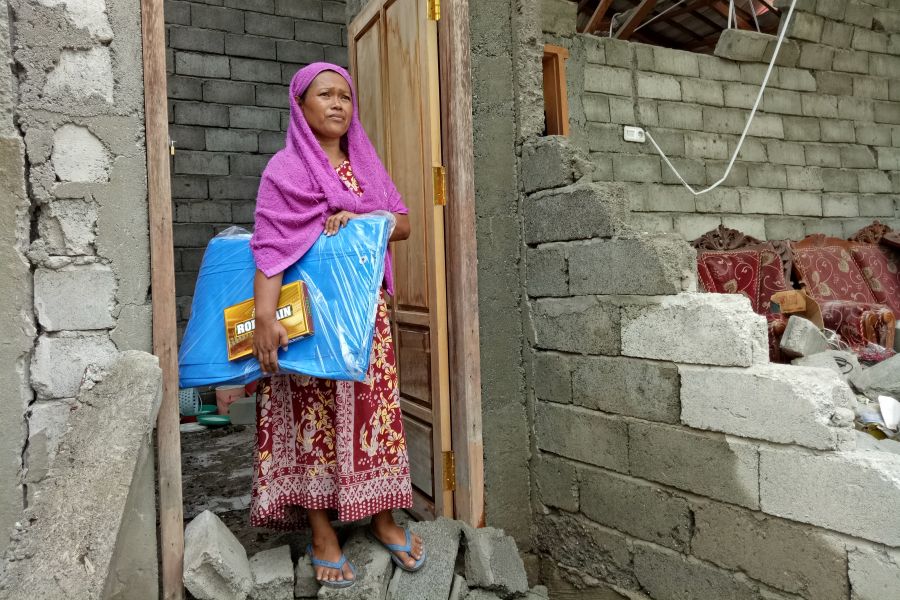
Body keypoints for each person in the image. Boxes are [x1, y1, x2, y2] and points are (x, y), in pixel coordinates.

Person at [248, 62, 424, 589]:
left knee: (374, 417)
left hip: (365, 321)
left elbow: (405, 222)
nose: (338, 104)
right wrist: (264, 318)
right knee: (311, 420)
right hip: (305, 319)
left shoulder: (364, 165)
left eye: (345, 96)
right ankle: (322, 532)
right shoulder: (285, 171)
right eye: (324, 95)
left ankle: (383, 518)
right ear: (300, 107)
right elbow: (270, 246)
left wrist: (362, 221)